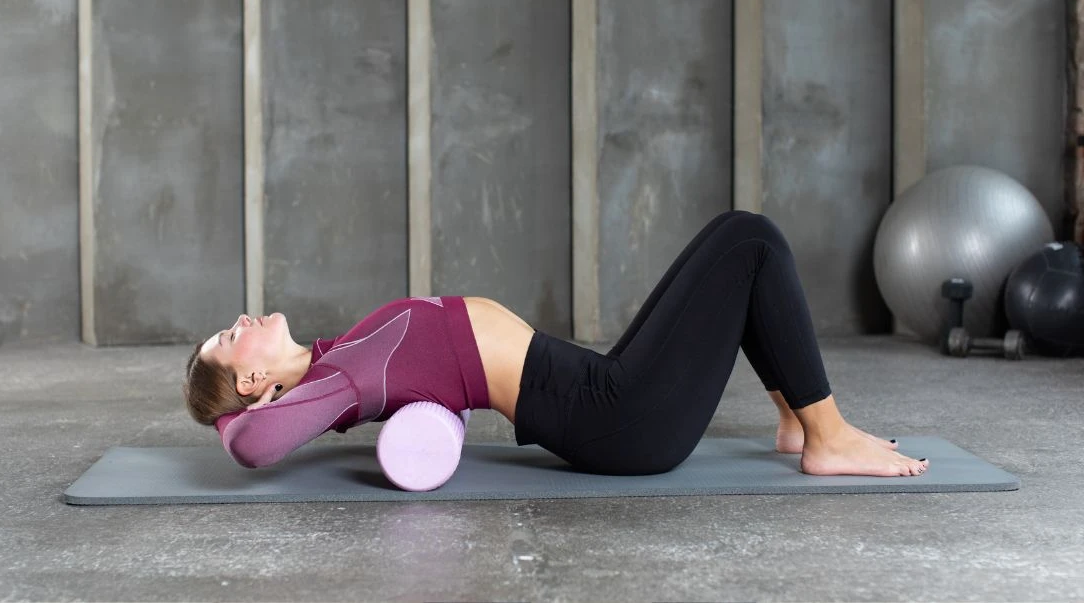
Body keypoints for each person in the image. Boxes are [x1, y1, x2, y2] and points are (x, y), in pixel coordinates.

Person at [184, 209, 929, 477]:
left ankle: (797, 418)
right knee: (751, 241)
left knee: (738, 243)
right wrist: (222, 416)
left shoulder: (332, 353)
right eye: (229, 338)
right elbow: (253, 445)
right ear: (250, 384)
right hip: (614, 415)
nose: (242, 320)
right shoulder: (340, 380)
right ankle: (826, 437)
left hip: (600, 390)